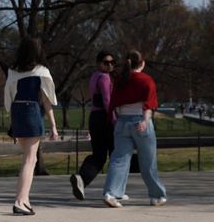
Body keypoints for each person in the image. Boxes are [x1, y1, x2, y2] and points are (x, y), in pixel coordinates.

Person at [102, 50, 167, 207]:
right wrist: (145, 120)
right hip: (140, 122)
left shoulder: (120, 80)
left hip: (122, 122)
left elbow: (114, 104)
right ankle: (156, 195)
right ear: (142, 63)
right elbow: (149, 104)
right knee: (148, 161)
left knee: (119, 160)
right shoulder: (146, 80)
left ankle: (111, 193)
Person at [3, 36, 60, 216]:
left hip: (17, 111)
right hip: (31, 110)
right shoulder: (41, 71)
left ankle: (24, 199)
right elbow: (47, 100)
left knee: (29, 159)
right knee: (30, 160)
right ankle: (20, 201)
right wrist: (53, 125)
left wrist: (11, 120)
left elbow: (9, 96)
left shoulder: (13, 71)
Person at [70, 51, 116, 200]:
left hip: (94, 117)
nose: (109, 65)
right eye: (106, 62)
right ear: (98, 63)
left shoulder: (94, 76)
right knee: (116, 153)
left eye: (112, 62)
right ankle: (115, 189)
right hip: (104, 118)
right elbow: (107, 101)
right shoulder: (104, 78)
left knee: (99, 154)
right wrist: (114, 119)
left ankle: (82, 179)